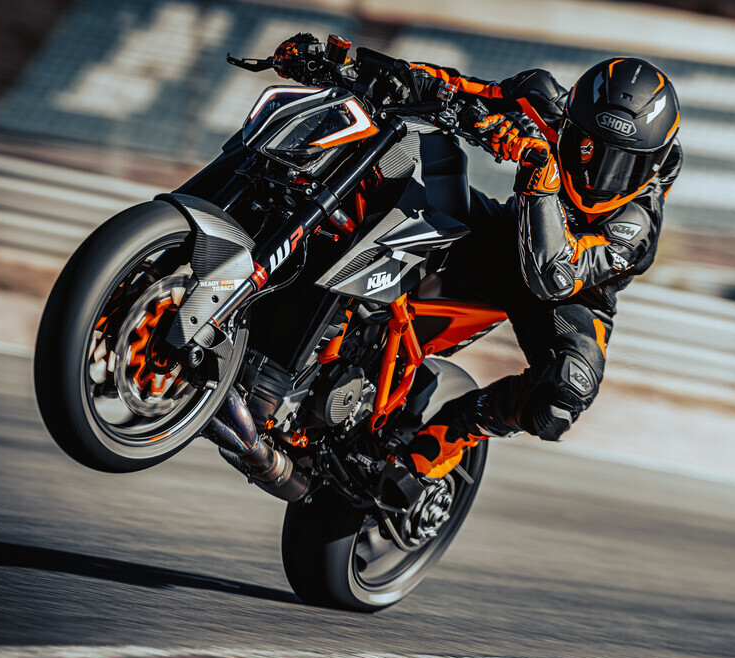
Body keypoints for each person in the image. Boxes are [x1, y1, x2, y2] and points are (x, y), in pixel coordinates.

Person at [275, 37, 683, 484]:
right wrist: (351, 66)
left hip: (571, 297)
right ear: (569, 120)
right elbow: (452, 86)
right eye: (588, 148)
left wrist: (541, 178)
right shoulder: (545, 104)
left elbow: (554, 276)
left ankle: (454, 432)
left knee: (565, 394)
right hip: (505, 239)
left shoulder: (636, 227)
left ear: (655, 163)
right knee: (392, 187)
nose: (597, 175)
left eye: (623, 166)